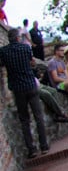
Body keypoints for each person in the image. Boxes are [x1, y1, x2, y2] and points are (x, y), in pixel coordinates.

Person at [0, 27, 49, 158]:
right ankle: (44, 146)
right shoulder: (25, 48)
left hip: (17, 88)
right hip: (30, 85)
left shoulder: (3, 51)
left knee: (24, 120)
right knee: (38, 116)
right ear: (18, 38)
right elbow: (32, 62)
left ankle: (31, 149)